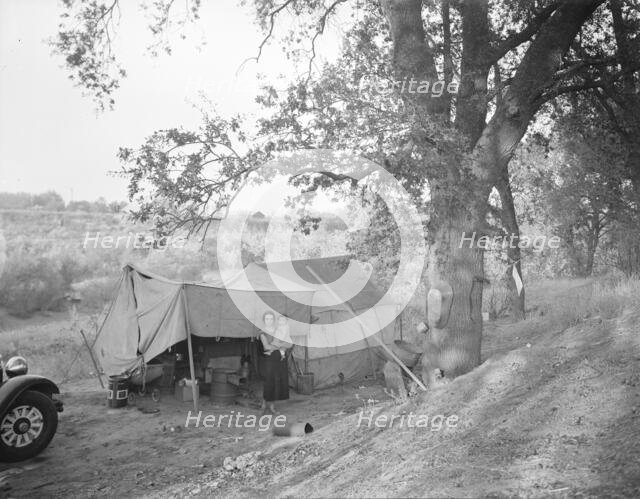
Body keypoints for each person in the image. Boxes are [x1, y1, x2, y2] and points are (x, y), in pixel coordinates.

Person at [258, 311, 290, 413]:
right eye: (267, 319)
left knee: (276, 382)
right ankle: (263, 404)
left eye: (271, 319)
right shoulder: (262, 333)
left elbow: (287, 343)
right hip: (269, 360)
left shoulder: (278, 330)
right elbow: (266, 347)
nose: (269, 321)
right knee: (268, 382)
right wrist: (280, 346)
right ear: (264, 320)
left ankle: (272, 407)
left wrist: (281, 349)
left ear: (274, 320)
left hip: (279, 359)